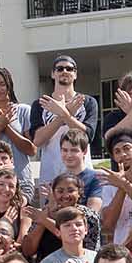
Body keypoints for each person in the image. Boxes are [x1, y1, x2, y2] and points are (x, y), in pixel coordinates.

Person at [32, 55, 104, 187]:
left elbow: (88, 136)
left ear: (75, 74)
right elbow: (37, 140)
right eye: (59, 69)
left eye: (69, 69)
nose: (64, 71)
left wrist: (64, 114)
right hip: (51, 173)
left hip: (82, 173)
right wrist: (64, 115)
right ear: (53, 74)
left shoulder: (87, 102)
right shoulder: (40, 104)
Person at [24, 169, 104, 262]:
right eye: (60, 191)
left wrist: (45, 220)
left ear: (79, 193)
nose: (66, 195)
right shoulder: (45, 213)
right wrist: (43, 221)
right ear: (53, 193)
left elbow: (75, 240)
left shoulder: (88, 216)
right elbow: (27, 251)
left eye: (71, 191)